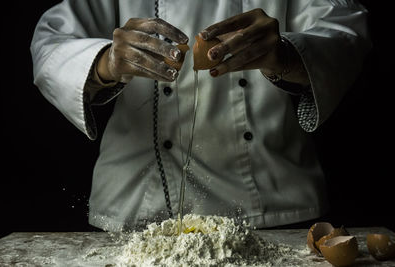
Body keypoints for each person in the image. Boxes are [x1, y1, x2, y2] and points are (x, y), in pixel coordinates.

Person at [31, 0, 371, 232]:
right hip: (136, 203)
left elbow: (347, 33)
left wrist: (286, 54)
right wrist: (106, 63)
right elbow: (49, 45)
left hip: (273, 200)